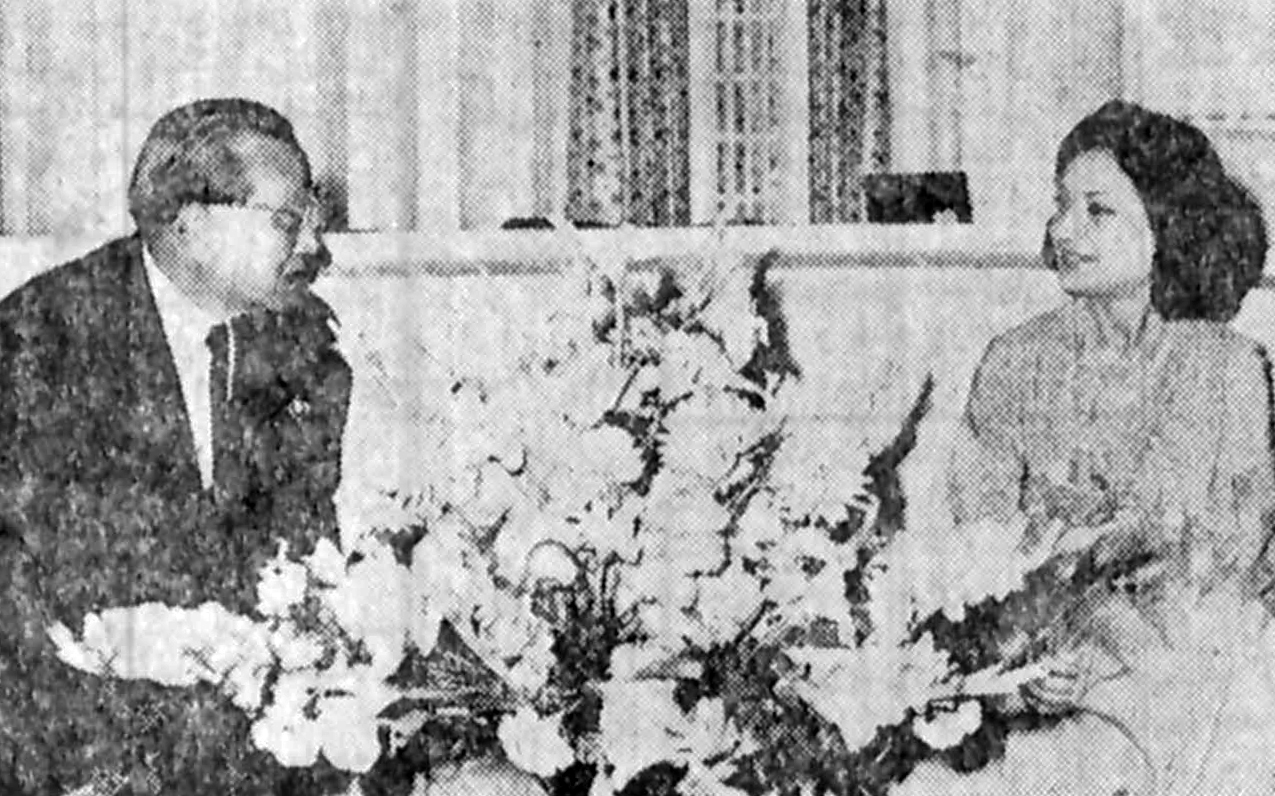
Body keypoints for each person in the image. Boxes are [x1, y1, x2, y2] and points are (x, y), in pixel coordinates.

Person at [900, 100, 1275, 794]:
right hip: (1036, 672)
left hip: (1187, 677)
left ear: (1167, 225)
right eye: (1060, 206)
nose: (1063, 230)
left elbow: (1214, 570)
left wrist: (1092, 655)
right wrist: (1021, 665)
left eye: (1096, 211)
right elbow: (977, 551)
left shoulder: (1226, 368)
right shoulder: (1014, 361)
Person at [0, 99, 352, 794]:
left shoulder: (305, 346)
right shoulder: (42, 338)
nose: (316, 247)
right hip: (89, 743)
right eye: (289, 221)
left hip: (251, 744)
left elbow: (306, 554)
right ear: (189, 221)